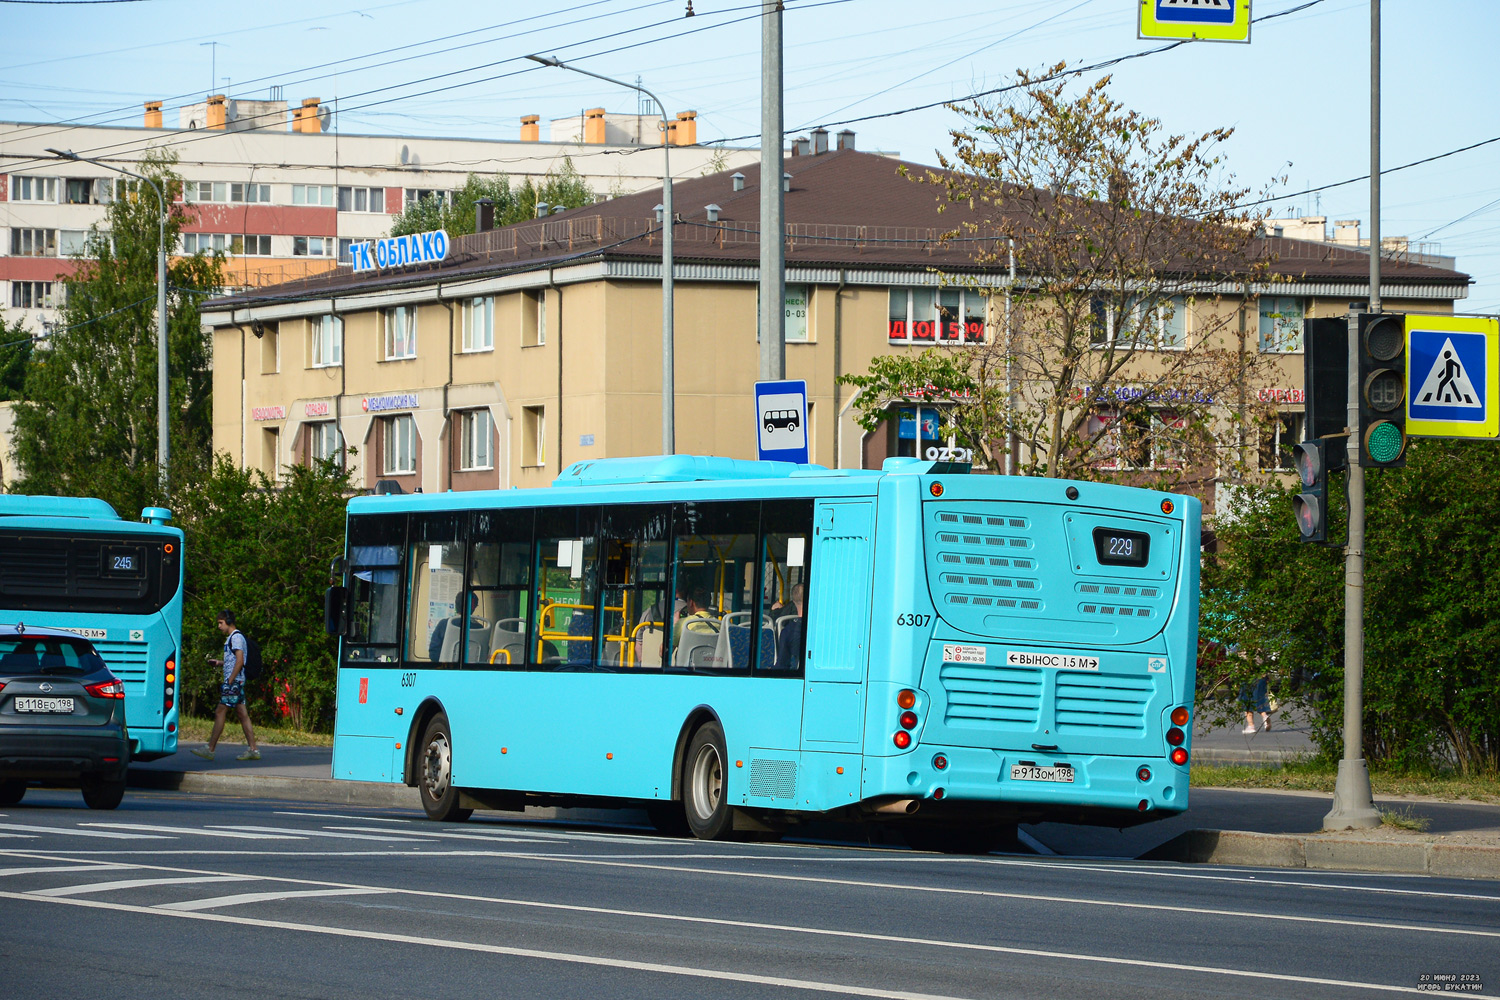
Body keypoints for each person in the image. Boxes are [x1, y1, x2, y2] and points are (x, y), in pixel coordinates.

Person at [192, 610, 260, 761]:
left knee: (220, 711)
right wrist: (219, 663)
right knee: (242, 714)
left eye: (220, 623)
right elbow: (234, 661)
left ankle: (210, 749)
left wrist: (230, 680)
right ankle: (253, 750)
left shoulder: (235, 638)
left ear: (228, 621)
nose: (219, 626)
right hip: (236, 680)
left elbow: (240, 661)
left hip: (233, 682)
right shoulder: (234, 638)